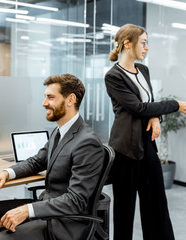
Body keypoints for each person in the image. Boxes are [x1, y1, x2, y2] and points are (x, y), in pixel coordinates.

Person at [0, 74, 104, 240]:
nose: (44, 103)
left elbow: (76, 201)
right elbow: (36, 162)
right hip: (47, 208)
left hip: (64, 222)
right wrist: (6, 173)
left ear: (70, 100)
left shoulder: (87, 142)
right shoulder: (60, 131)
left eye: (50, 97)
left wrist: (27, 210)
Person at [104, 24, 186, 240]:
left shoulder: (144, 71)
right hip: (124, 149)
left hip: (147, 145)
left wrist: (155, 117)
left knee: (156, 204)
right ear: (127, 44)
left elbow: (148, 103)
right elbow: (137, 108)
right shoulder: (113, 76)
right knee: (125, 210)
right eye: (143, 42)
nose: (147, 47)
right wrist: (175, 105)